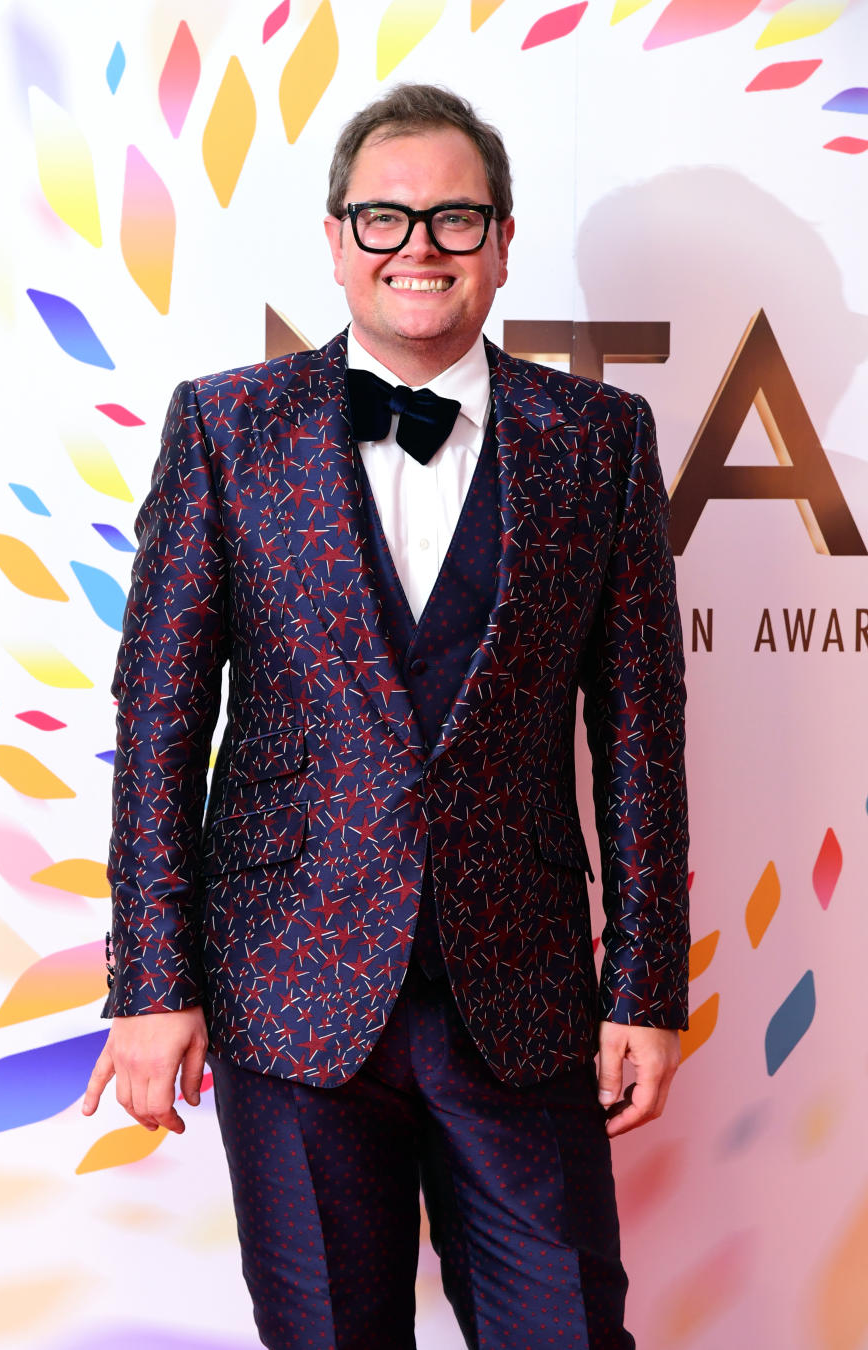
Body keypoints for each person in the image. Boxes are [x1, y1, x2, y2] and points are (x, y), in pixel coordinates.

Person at [83, 83, 689, 1350]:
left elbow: (637, 729)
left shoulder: (599, 440)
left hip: (523, 1002)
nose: (418, 244)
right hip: (287, 992)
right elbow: (161, 716)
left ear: (504, 240)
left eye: (455, 217)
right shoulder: (228, 429)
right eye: (384, 216)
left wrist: (643, 985)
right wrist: (150, 978)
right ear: (336, 239)